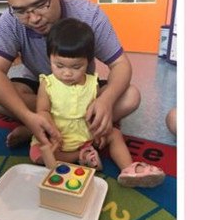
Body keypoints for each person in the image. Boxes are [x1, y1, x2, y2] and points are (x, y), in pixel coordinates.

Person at [0, 0, 140, 149]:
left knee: (130, 96)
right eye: (20, 10)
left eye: (40, 4)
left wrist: (106, 101)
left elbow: (120, 64)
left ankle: (46, 129)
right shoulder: (10, 21)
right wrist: (27, 116)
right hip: (41, 89)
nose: (34, 18)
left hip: (81, 89)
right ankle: (61, 126)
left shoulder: (90, 15)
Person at [31, 19, 165, 188]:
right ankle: (80, 156)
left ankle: (128, 168)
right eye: (59, 65)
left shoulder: (92, 83)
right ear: (49, 58)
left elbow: (95, 112)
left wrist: (99, 130)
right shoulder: (47, 83)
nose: (67, 73)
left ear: (88, 61)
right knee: (39, 155)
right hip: (58, 138)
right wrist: (51, 132)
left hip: (85, 136)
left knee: (114, 134)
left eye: (76, 67)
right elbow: (42, 111)